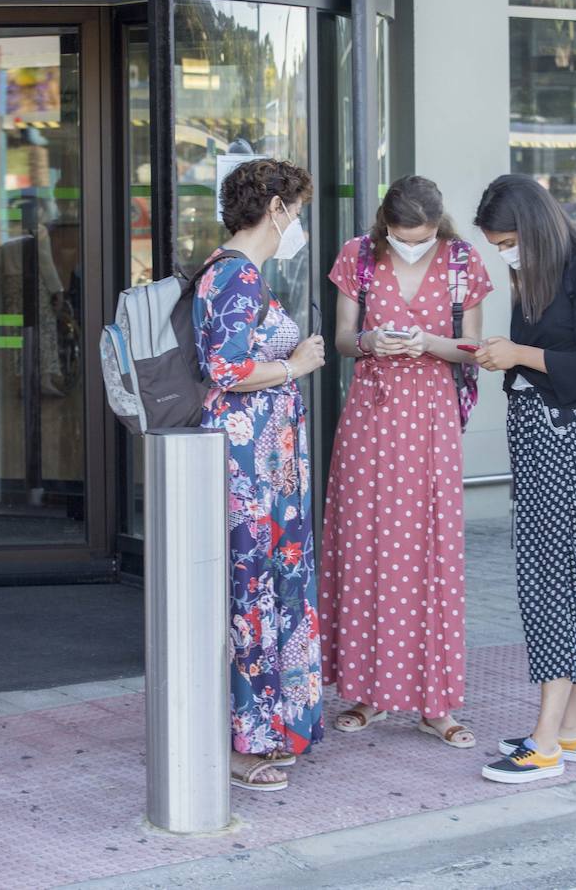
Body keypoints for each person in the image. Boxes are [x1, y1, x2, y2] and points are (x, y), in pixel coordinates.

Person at [319, 175, 492, 749]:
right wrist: (370, 342)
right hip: (370, 420)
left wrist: (427, 344)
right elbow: (342, 338)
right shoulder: (358, 256)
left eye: (417, 236)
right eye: (397, 235)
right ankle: (365, 694)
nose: (406, 243)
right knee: (366, 547)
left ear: (438, 226)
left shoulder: (464, 263)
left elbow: (474, 347)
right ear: (383, 224)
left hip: (432, 425)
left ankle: (435, 702)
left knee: (430, 551)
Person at [471, 174, 576, 784]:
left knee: (549, 577)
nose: (504, 252)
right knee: (567, 576)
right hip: (543, 435)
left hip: (570, 437)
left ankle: (544, 742)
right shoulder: (540, 274)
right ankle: (572, 728)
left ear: (532, 229)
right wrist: (504, 353)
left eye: (508, 241)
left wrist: (519, 355)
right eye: (496, 243)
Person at [195, 158, 326, 792]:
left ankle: (265, 727)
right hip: (248, 464)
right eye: (295, 209)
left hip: (261, 461)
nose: (296, 222)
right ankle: (245, 740)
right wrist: (295, 365)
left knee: (261, 588)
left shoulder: (235, 273)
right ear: (275, 208)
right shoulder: (238, 277)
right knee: (252, 593)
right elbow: (225, 369)